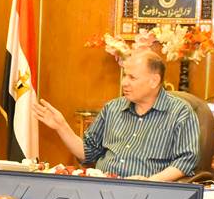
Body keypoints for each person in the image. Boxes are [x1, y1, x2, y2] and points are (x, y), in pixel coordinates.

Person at [33, 50, 198, 181]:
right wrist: (62, 127)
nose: (124, 82)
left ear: (154, 81)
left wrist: (151, 181)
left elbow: (186, 160)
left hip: (148, 194)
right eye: (125, 75)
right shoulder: (113, 108)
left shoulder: (180, 112)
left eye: (132, 77)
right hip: (102, 188)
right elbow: (88, 153)